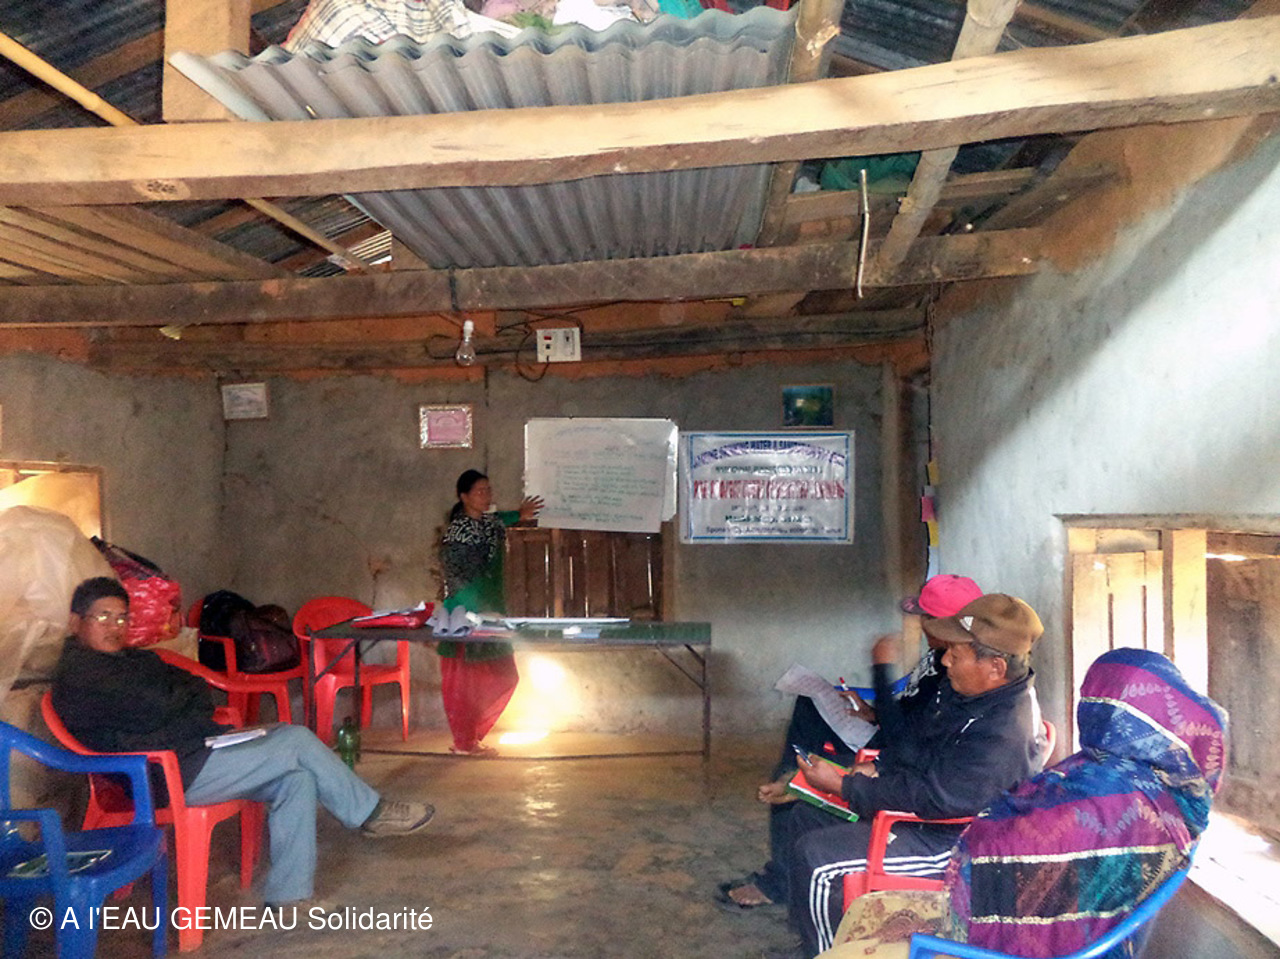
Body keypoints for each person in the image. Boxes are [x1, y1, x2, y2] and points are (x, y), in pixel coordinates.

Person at [818, 646, 1227, 959]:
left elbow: (1010, 856)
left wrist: (854, 786)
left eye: (1095, 699)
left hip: (996, 939)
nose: (1088, 708)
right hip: (1009, 905)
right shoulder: (1154, 787)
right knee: (862, 910)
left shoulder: (1114, 798)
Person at [50, 577, 435, 909]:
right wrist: (179, 705)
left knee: (296, 779)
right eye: (103, 617)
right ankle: (371, 814)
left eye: (122, 618)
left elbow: (193, 688)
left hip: (195, 751)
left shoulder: (132, 661)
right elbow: (154, 709)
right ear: (74, 621)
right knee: (297, 740)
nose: (115, 627)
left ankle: (288, 896)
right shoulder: (82, 675)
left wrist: (180, 706)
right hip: (163, 775)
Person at [761, 593, 1046, 957]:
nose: (945, 660)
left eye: (955, 655)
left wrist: (846, 785)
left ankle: (824, 953)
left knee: (818, 859)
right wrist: (875, 767)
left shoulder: (1004, 731)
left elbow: (934, 798)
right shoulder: (967, 694)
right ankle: (817, 937)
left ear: (995, 667)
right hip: (928, 811)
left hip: (954, 841)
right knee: (805, 816)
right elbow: (915, 742)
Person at [732, 576, 984, 913]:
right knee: (808, 711)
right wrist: (873, 712)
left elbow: (906, 743)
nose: (922, 625)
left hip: (888, 753)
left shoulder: (957, 677)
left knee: (798, 784)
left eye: (927, 618)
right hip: (887, 743)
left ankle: (781, 877)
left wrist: (881, 668)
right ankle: (793, 791)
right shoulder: (939, 658)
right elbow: (910, 712)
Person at [436, 469, 543, 757]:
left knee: (504, 675)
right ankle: (464, 743)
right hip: (466, 613)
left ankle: (471, 737)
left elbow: (501, 519)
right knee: (465, 682)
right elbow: (457, 578)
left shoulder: (488, 523)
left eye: (489, 490)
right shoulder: (459, 532)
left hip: (491, 613)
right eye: (480, 491)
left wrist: (520, 514)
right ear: (464, 496)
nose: (487, 496)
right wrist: (477, 610)